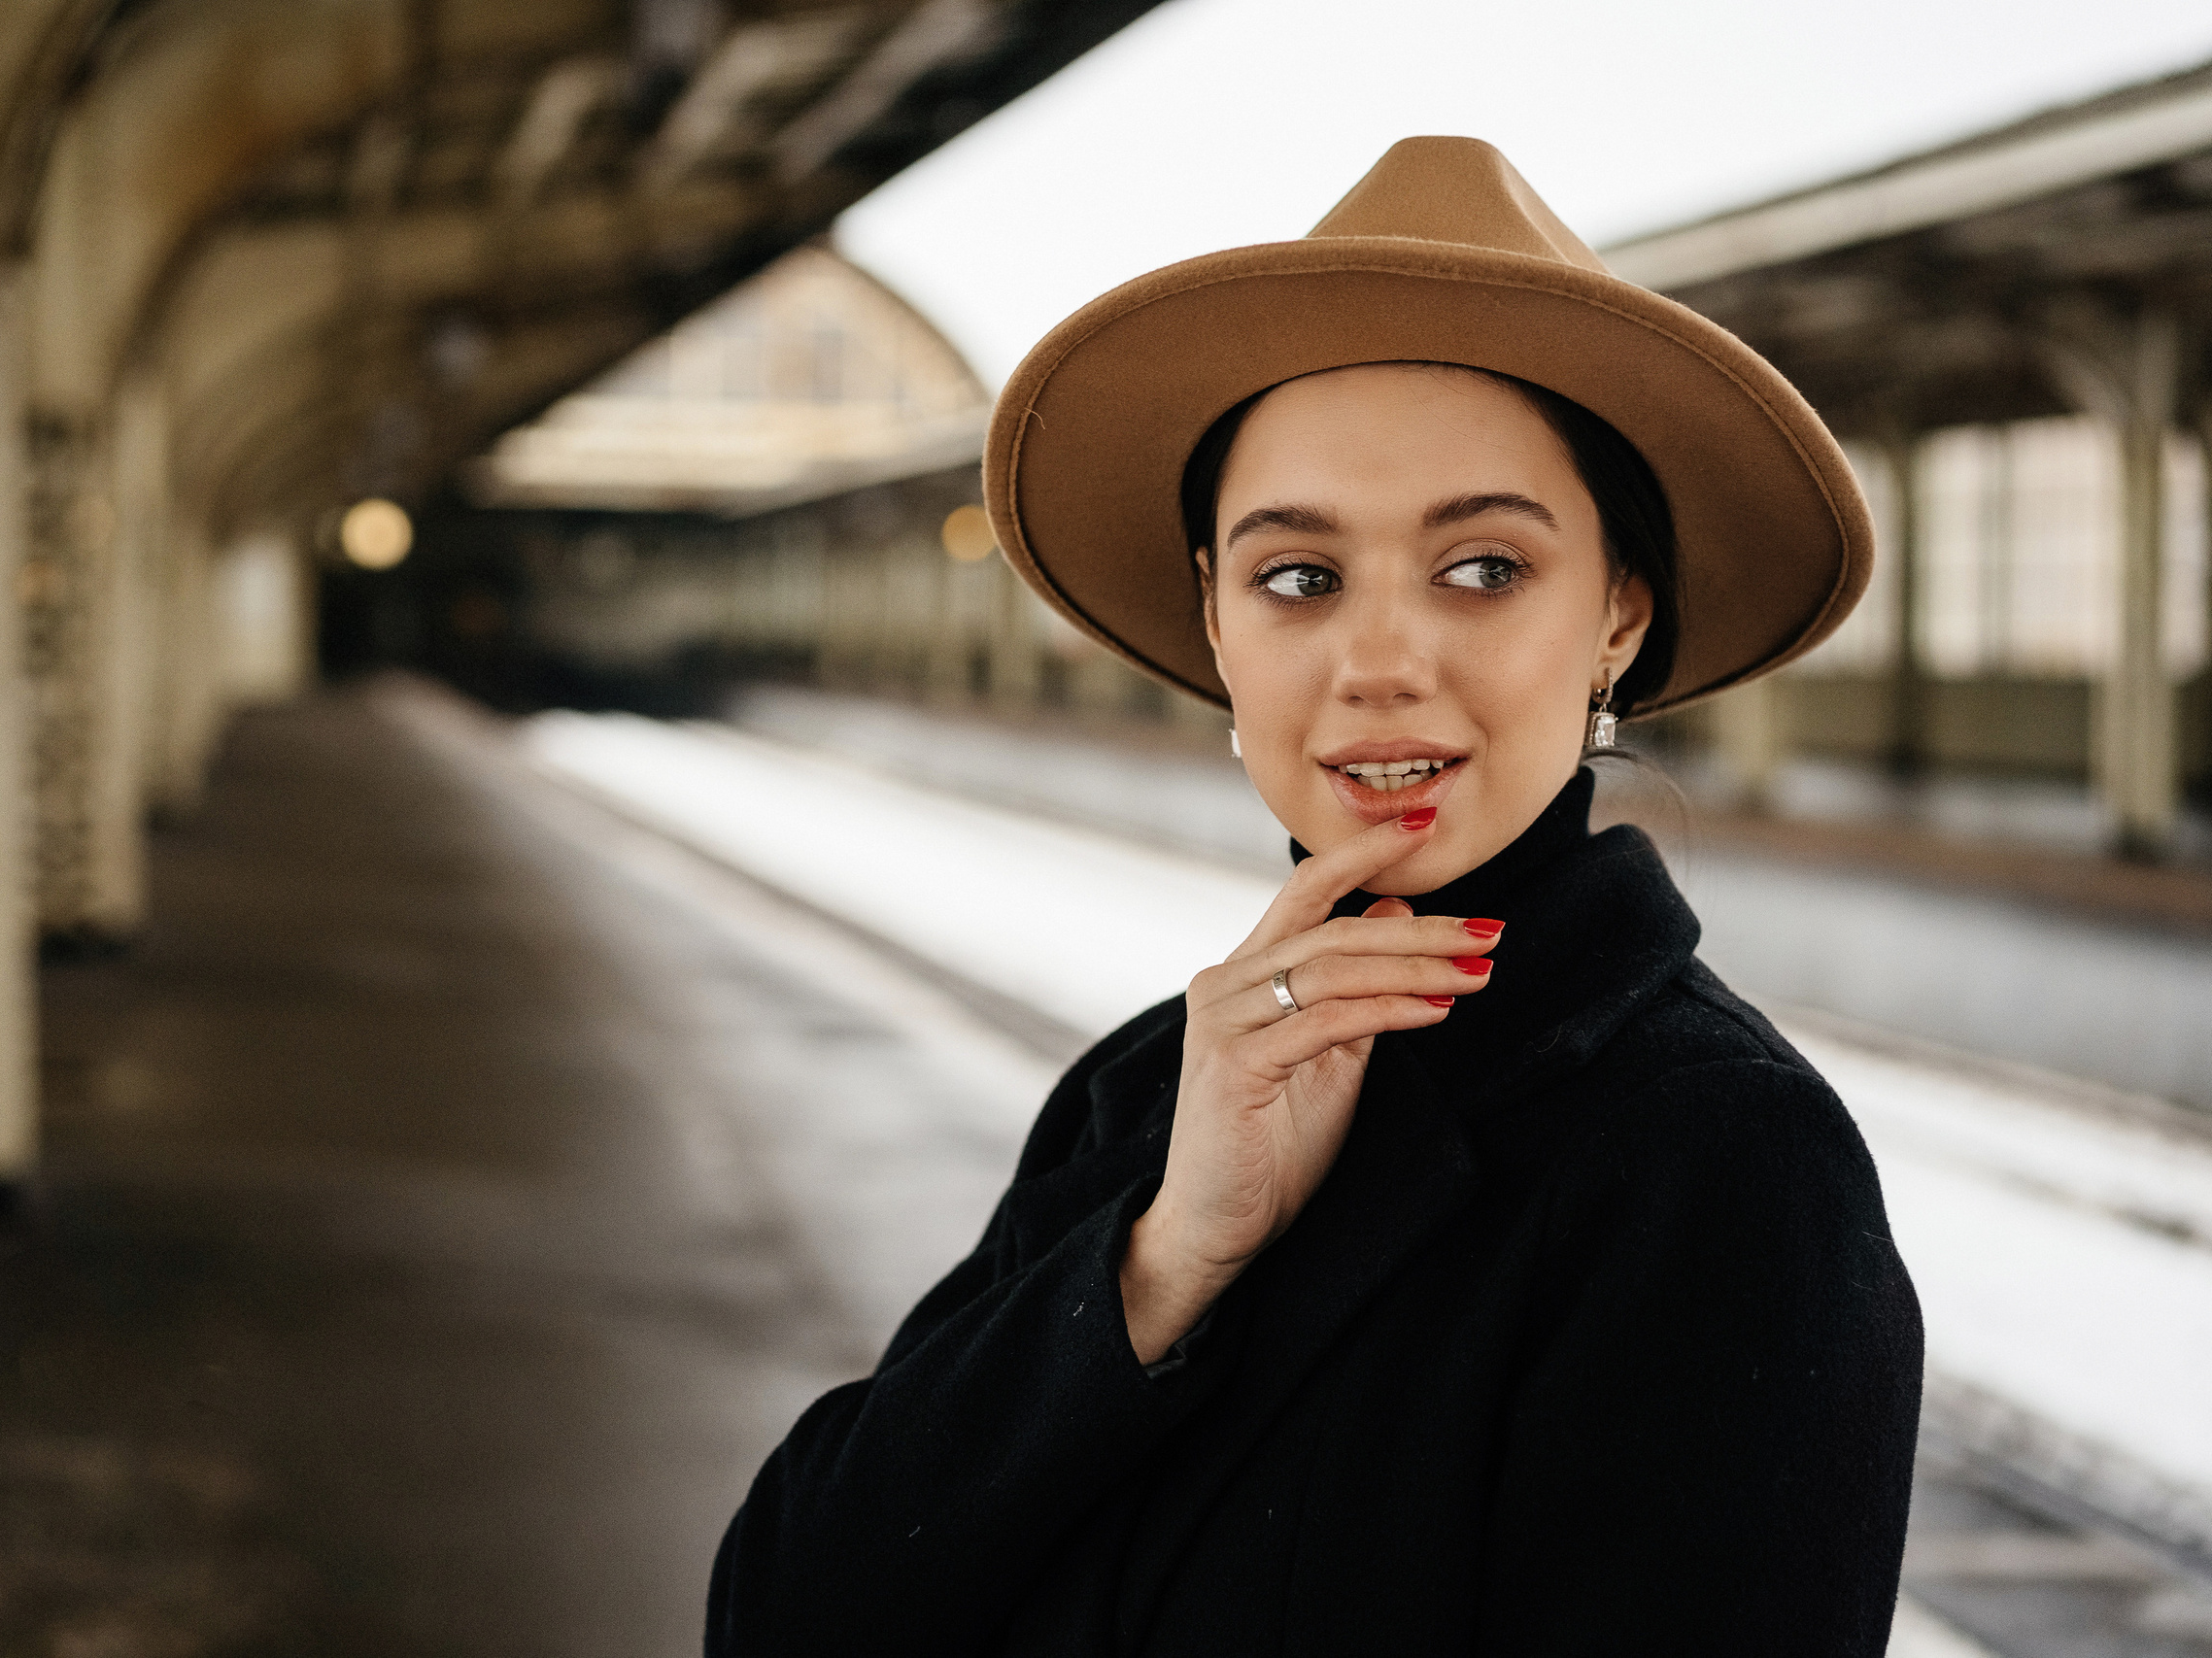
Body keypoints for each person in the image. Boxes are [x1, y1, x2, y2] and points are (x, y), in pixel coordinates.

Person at [707, 137, 1922, 1657]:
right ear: (1215, 614)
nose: (1379, 662)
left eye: (1483, 568)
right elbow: (780, 1611)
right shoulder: (1150, 1088)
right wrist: (1158, 1268)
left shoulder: (1721, 1165)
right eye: (1298, 578)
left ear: (1619, 610)